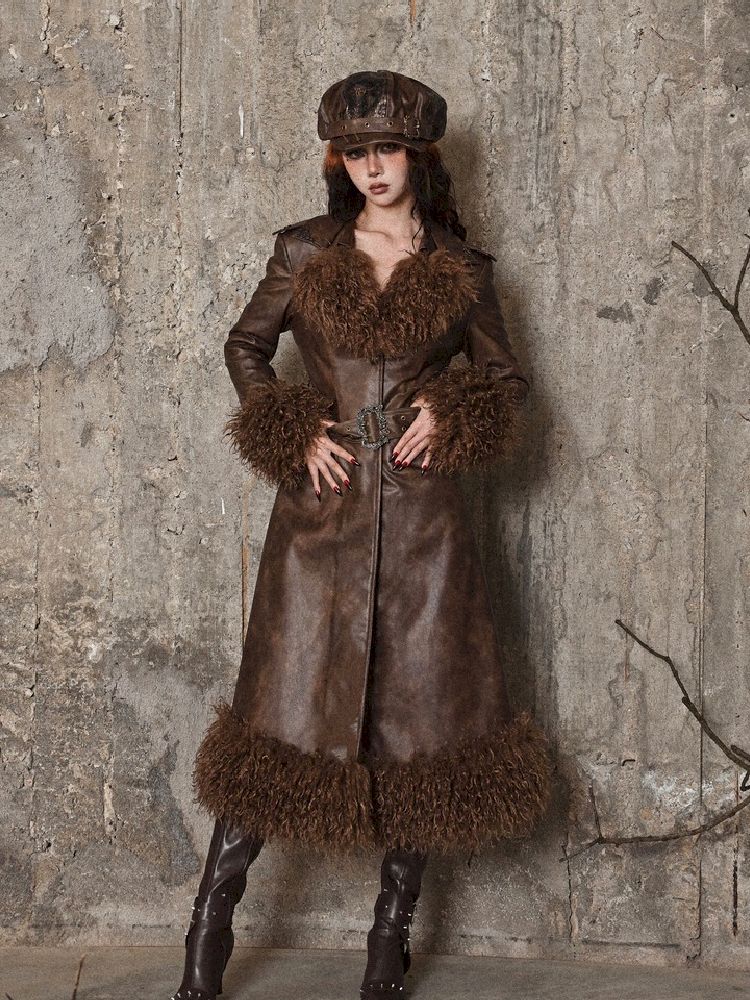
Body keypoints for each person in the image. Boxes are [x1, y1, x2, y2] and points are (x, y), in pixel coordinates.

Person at [170, 69, 554, 1000]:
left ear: (418, 155)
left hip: (426, 526)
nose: (371, 168)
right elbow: (245, 347)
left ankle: (390, 944)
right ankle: (205, 944)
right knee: (278, 722)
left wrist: (450, 409)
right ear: (337, 161)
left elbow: (506, 381)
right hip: (321, 516)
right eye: (354, 152)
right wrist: (290, 427)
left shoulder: (463, 269)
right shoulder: (305, 250)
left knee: (422, 728)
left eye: (386, 150)